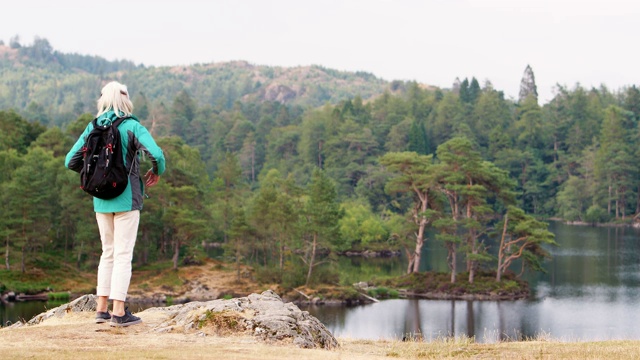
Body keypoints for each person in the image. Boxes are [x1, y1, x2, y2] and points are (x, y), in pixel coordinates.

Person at [65, 81, 166, 327]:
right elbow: (158, 155)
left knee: (107, 253)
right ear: (125, 100)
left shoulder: (92, 127)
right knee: (122, 255)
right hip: (127, 199)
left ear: (103, 100)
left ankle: (101, 310)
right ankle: (119, 312)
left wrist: (96, 174)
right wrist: (156, 171)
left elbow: (71, 160)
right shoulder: (132, 126)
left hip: (100, 200)